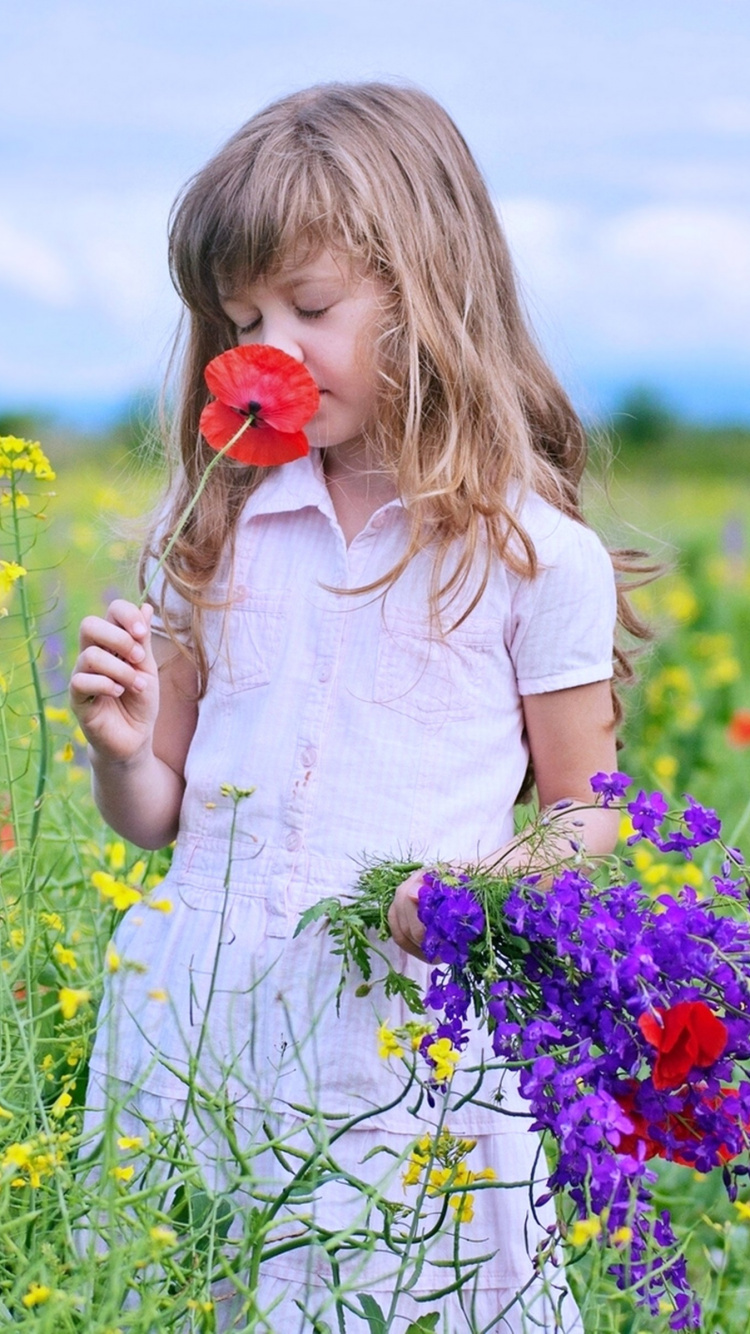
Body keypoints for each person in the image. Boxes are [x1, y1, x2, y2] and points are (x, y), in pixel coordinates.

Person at [70, 82, 641, 1333]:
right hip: (199, 1011)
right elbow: (157, 814)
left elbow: (587, 814)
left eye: (310, 308)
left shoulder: (536, 556)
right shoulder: (207, 523)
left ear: (429, 290)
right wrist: (121, 749)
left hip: (402, 1027)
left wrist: (470, 894)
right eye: (239, 317)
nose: (261, 347)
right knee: (186, 1288)